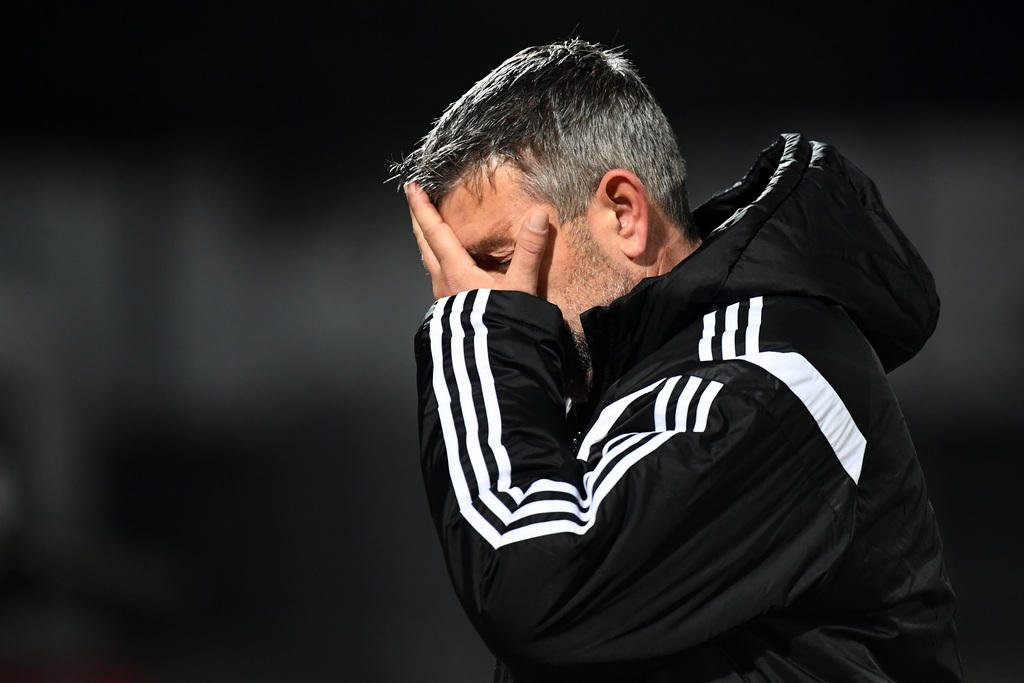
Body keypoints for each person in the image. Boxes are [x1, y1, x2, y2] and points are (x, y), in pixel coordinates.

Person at [393, 40, 962, 682]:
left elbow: (527, 582)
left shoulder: (764, 376)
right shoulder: (621, 390)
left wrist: (473, 335)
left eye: (497, 263)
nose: (485, 301)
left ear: (624, 214)